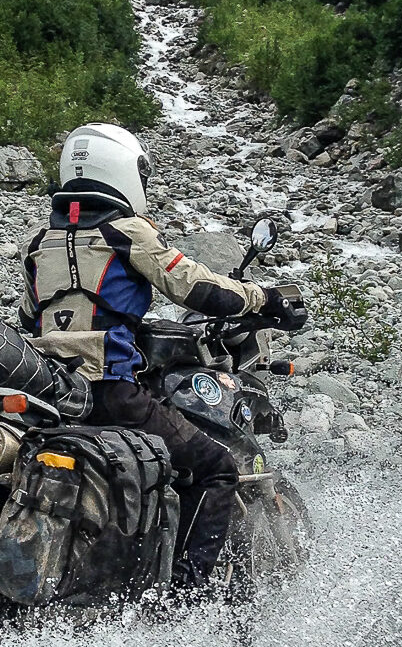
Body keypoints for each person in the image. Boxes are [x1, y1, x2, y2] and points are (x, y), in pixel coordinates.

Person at [18, 122, 306, 588]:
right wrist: (264, 299)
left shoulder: (38, 243)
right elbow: (196, 287)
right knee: (216, 468)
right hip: (109, 392)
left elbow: (32, 316)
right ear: (122, 170)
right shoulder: (126, 231)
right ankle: (186, 601)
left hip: (49, 392)